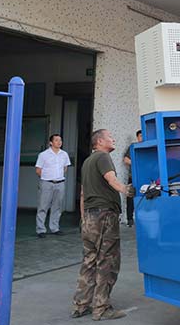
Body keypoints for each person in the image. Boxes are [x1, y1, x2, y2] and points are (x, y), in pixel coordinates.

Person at [72, 129, 134, 321]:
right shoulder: (103, 157)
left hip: (90, 217)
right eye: (110, 137)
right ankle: (101, 308)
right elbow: (111, 179)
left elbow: (83, 193)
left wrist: (83, 218)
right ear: (99, 141)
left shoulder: (87, 162)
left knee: (89, 261)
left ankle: (81, 305)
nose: (113, 139)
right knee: (108, 261)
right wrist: (126, 189)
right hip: (105, 216)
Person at [35, 134, 71, 238]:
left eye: (60, 140)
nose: (59, 142)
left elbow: (65, 168)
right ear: (51, 142)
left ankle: (55, 228)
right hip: (46, 183)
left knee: (57, 207)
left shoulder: (64, 154)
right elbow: (38, 170)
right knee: (43, 206)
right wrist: (48, 177)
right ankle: (40, 230)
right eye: (56, 140)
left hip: (60, 183)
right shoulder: (43, 155)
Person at [122, 130, 142, 227]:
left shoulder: (150, 146)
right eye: (140, 136)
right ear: (137, 137)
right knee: (130, 197)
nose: (142, 137)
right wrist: (137, 163)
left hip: (147, 176)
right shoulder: (133, 147)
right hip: (133, 176)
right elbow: (126, 160)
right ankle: (130, 219)